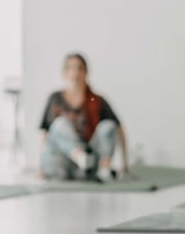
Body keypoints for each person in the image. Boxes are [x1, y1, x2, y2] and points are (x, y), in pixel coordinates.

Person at [39, 53, 128, 181]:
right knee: (60, 124)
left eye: (79, 68)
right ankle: (79, 155)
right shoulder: (55, 99)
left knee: (108, 125)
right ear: (64, 72)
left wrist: (124, 164)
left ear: (86, 73)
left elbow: (118, 129)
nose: (75, 72)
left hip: (91, 161)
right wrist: (40, 167)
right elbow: (45, 133)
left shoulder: (96, 100)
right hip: (63, 162)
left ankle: (102, 166)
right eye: (70, 68)